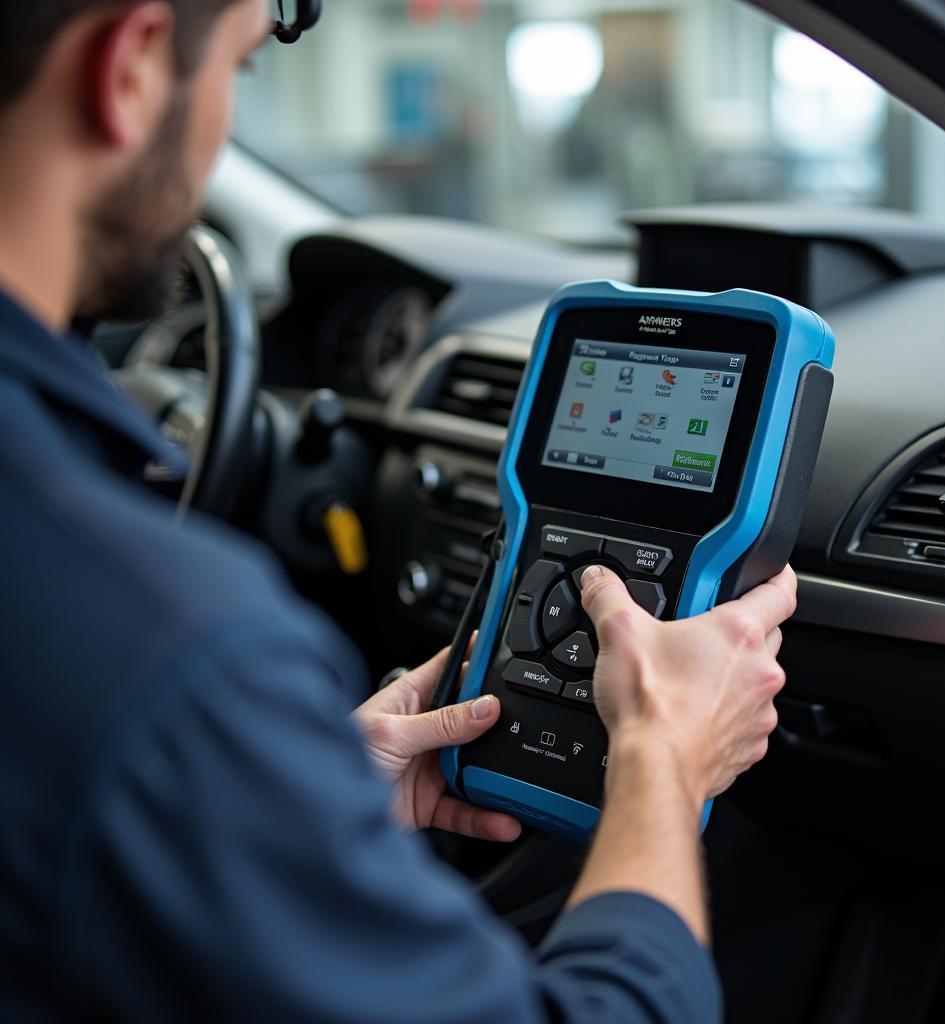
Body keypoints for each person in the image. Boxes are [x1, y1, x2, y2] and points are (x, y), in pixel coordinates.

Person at [0, 1, 795, 1020]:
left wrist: (285, 801)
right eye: (242, 67)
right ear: (129, 67)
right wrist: (661, 757)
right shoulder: (178, 658)